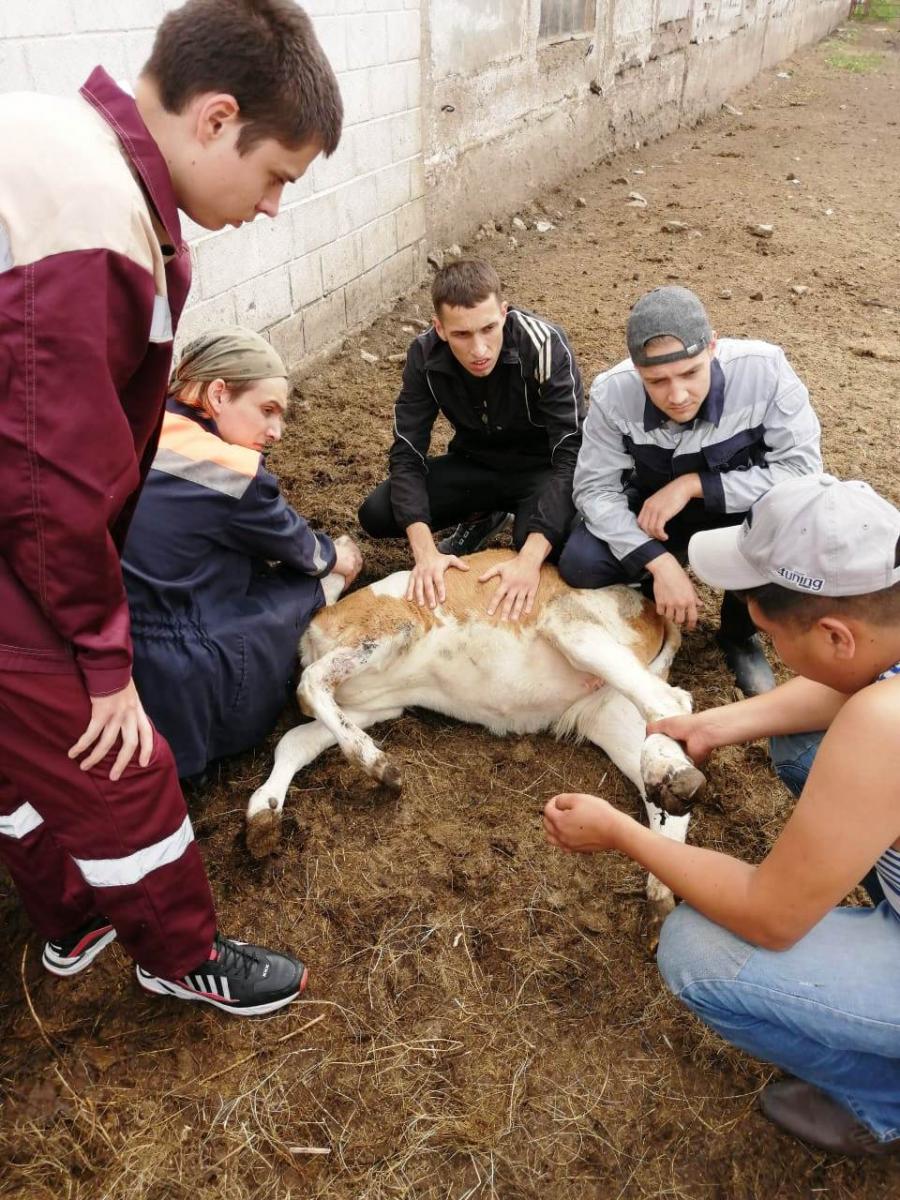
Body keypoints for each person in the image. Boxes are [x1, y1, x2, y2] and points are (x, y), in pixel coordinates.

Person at [0, 0, 343, 1015]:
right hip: (38, 556)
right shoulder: (90, 221)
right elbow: (47, 472)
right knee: (118, 757)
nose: (275, 206)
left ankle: (73, 920)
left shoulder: (50, 140)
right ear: (215, 119)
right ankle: (177, 951)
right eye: (277, 173)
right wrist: (104, 664)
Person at [544, 474, 900, 1155]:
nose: (771, 654)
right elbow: (847, 691)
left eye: (768, 636)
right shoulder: (886, 639)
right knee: (803, 743)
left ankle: (885, 1101)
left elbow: (769, 915)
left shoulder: (885, 726)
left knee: (697, 952)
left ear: (835, 636)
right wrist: (710, 725)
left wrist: (621, 832)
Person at [122, 327, 362, 782]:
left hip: (111, 642)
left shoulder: (139, 421)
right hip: (181, 663)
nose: (276, 431)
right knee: (306, 584)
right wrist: (340, 557)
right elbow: (304, 552)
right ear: (217, 394)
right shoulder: (232, 473)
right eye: (267, 410)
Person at [558, 286, 822, 696]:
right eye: (656, 381)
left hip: (738, 511)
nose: (677, 395)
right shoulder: (612, 392)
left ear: (712, 347)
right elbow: (595, 489)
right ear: (635, 368)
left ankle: (739, 635)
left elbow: (803, 472)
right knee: (580, 563)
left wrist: (694, 485)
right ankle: (648, 608)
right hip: (652, 516)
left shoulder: (765, 371)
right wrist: (657, 562)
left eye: (690, 373)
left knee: (790, 533)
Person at [357, 258, 585, 622]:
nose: (479, 349)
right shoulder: (424, 355)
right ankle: (483, 515)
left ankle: (515, 522)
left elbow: (571, 454)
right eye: (462, 335)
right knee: (377, 514)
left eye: (488, 328)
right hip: (474, 465)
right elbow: (407, 452)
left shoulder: (544, 345)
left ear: (504, 313)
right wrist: (425, 552)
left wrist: (528, 559)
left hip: (539, 472)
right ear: (440, 328)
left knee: (558, 551)